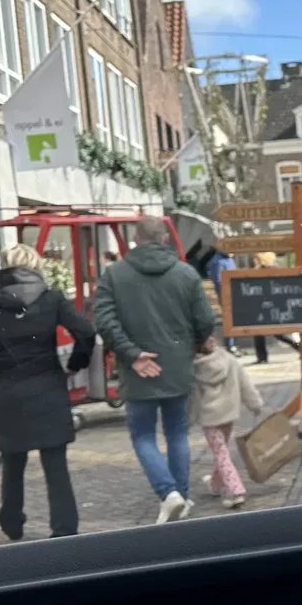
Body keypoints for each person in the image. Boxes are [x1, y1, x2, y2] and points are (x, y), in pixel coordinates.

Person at [0, 244, 96, 541]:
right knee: (56, 464)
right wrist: (74, 364)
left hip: (6, 392)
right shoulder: (51, 298)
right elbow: (86, 332)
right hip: (47, 387)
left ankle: (12, 520)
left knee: (12, 462)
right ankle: (64, 528)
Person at [94, 216, 215, 524]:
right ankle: (181, 495)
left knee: (143, 435)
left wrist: (132, 353)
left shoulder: (114, 274)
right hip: (177, 364)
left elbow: (104, 320)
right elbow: (204, 320)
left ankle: (168, 493)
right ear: (165, 239)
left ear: (135, 239)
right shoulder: (186, 273)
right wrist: (194, 344)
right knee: (177, 433)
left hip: (138, 369)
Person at [190, 335, 265, 510]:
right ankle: (215, 485)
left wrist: (188, 420)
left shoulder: (193, 367)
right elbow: (245, 383)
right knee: (221, 451)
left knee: (220, 453)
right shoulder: (229, 359)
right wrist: (255, 404)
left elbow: (192, 398)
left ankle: (235, 490)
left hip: (210, 418)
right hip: (228, 414)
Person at [251, 250, 301, 365]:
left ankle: (300, 348)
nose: (254, 261)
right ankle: (262, 357)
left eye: (256, 258)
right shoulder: (257, 270)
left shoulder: (273, 270)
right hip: (261, 305)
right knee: (258, 332)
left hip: (274, 306)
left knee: (279, 333)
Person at [207, 246, 238, 352]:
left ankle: (234, 345)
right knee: (229, 318)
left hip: (234, 292)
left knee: (234, 319)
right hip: (226, 294)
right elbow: (218, 281)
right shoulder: (217, 261)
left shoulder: (230, 259)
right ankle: (230, 346)